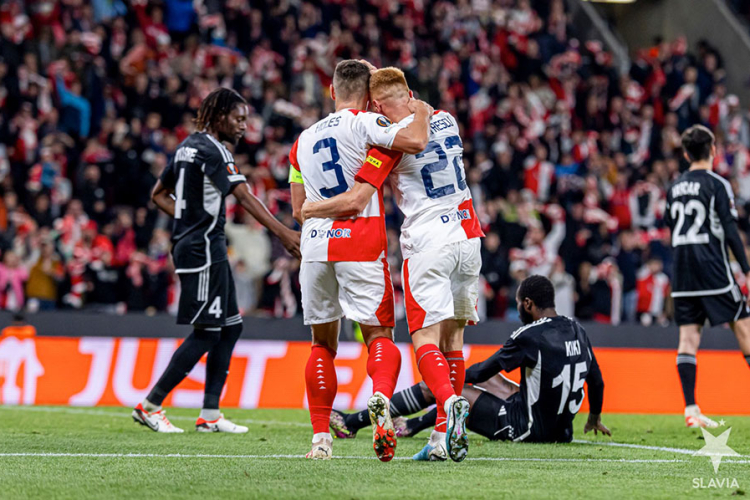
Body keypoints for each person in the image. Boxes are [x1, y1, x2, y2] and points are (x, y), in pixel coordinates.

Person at [302, 67, 483, 462]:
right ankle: (440, 437)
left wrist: (310, 208)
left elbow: (356, 198)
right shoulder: (446, 119)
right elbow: (421, 123)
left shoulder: (387, 142)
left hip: (426, 244)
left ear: (377, 105)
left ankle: (450, 403)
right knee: (455, 343)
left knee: (424, 341)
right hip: (468, 237)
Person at [131, 87, 301, 433]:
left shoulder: (186, 146)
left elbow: (158, 195)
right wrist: (283, 233)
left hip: (205, 244)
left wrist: (186, 218)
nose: (244, 126)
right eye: (238, 119)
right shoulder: (214, 150)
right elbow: (243, 195)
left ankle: (210, 414)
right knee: (208, 331)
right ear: (219, 116)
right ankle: (150, 405)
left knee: (231, 325)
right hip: (203, 248)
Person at [290, 59, 432, 461]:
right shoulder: (365, 124)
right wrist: (416, 110)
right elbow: (413, 141)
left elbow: (299, 206)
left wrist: (314, 215)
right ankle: (381, 400)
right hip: (360, 243)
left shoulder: (301, 141)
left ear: (331, 92)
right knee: (378, 338)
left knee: (321, 345)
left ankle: (321, 439)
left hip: (315, 248)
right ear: (368, 98)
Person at [330, 275, 610, 444]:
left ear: (528, 304)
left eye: (518, 303)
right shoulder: (577, 328)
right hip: (561, 432)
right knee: (497, 382)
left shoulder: (529, 335)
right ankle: (414, 424)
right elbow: (596, 381)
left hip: (525, 429)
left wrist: (439, 376)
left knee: (445, 387)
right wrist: (594, 417)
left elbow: (479, 373)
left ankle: (353, 422)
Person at [664, 125, 750, 428]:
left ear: (687, 154)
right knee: (744, 327)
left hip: (683, 271)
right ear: (712, 150)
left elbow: (669, 225)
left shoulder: (674, 187)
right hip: (713, 268)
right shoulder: (718, 184)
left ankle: (691, 409)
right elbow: (730, 232)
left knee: (688, 338)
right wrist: (747, 269)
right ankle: (693, 411)